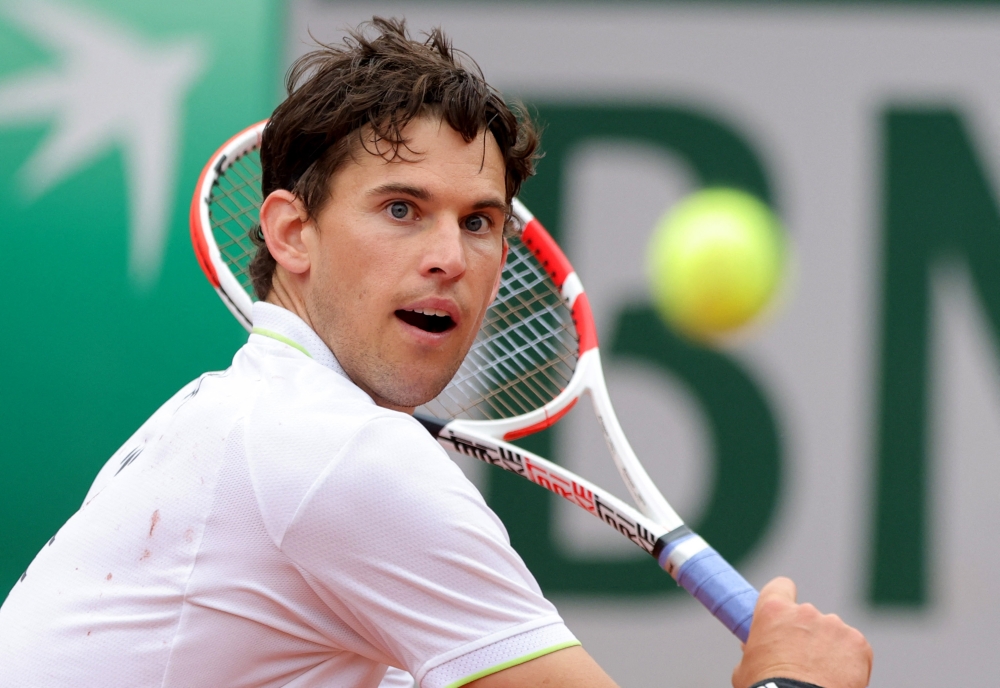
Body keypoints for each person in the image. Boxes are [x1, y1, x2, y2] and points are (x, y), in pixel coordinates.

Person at [0, 18, 872, 688]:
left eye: (480, 222)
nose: (450, 258)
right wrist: (795, 677)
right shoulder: (336, 455)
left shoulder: (233, 418)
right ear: (290, 233)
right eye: (401, 209)